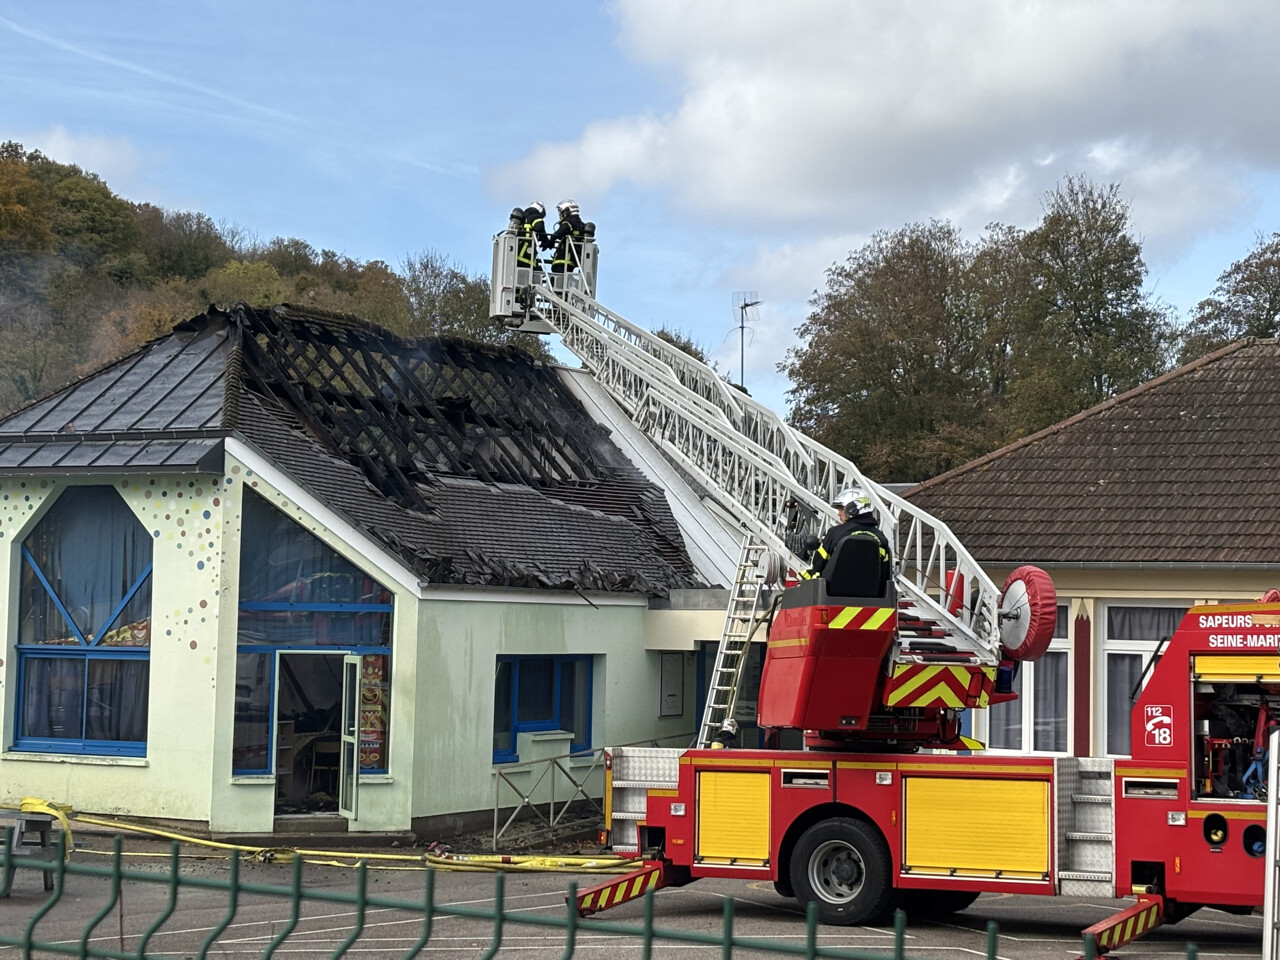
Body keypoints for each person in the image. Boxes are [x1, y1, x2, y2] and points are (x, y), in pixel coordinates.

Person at [803, 486, 891, 585]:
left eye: (841, 509)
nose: (839, 514)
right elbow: (885, 575)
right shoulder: (881, 538)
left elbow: (819, 566)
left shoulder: (835, 533)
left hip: (832, 596)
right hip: (872, 597)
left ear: (852, 509)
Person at [546, 199, 585, 290]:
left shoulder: (570, 221)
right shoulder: (580, 224)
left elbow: (561, 231)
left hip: (563, 260)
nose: (560, 215)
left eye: (561, 212)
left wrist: (551, 240)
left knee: (557, 286)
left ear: (567, 211)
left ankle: (556, 303)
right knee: (562, 286)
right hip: (570, 260)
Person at [516, 201, 548, 273]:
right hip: (526, 254)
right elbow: (540, 227)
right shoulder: (536, 216)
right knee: (538, 274)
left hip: (517, 252)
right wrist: (546, 241)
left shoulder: (524, 216)